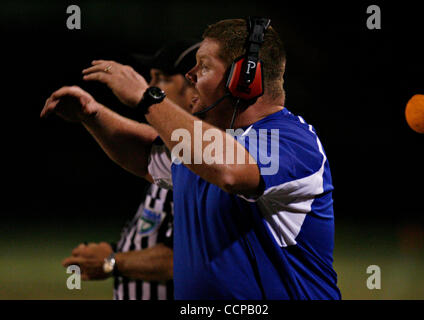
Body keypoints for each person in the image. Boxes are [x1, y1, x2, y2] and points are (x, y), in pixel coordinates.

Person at [42, 18, 341, 300]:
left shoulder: (292, 141)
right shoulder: (206, 146)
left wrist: (147, 98)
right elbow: (147, 154)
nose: (191, 75)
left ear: (244, 81)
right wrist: (93, 115)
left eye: (204, 66)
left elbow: (231, 170)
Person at [60, 39, 200, 300]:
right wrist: (91, 114)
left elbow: (190, 257)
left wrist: (113, 260)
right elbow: (143, 150)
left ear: (195, 85)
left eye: (162, 79)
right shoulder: (177, 153)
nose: (150, 87)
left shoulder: (208, 162)